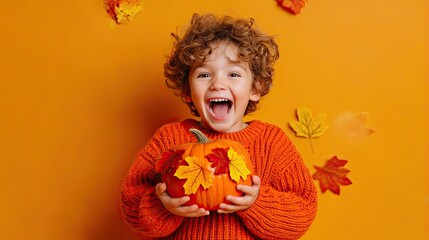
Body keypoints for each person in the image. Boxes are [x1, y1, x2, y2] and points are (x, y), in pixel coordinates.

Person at [121, 13, 317, 239]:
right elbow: (131, 203)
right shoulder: (170, 139)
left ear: (256, 88)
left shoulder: (272, 142)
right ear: (187, 91)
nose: (218, 84)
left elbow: (303, 211)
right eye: (204, 74)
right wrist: (160, 206)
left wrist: (257, 202)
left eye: (233, 74)